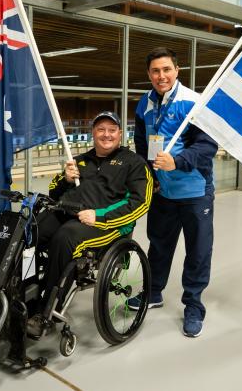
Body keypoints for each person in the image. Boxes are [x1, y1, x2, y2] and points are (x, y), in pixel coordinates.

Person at [26, 111, 152, 338]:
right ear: (93, 133)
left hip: (106, 225)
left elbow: (140, 203)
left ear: (120, 134)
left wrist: (100, 216)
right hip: (68, 212)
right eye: (101, 130)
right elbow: (54, 191)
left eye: (112, 130)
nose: (106, 135)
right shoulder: (81, 160)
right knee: (29, 231)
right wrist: (64, 178)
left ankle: (45, 310)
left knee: (65, 238)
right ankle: (22, 292)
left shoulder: (134, 163)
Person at [132, 47, 218, 338]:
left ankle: (193, 305)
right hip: (162, 191)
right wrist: (149, 174)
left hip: (194, 191)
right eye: (155, 71)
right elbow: (142, 144)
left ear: (177, 71)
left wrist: (177, 162)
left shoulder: (193, 103)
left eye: (166, 69)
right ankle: (153, 292)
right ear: (149, 74)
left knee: (197, 250)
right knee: (159, 244)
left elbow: (207, 147)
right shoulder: (144, 103)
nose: (161, 76)